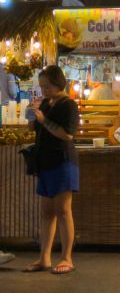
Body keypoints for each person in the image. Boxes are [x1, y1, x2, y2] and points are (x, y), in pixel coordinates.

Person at [24, 66, 79, 275]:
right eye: (42, 87)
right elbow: (33, 129)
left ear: (58, 83)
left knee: (64, 211)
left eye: (47, 86)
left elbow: (67, 134)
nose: (44, 91)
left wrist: (43, 119)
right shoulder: (46, 103)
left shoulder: (69, 105)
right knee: (47, 212)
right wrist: (33, 114)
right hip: (44, 162)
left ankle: (67, 257)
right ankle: (44, 257)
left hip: (63, 161)